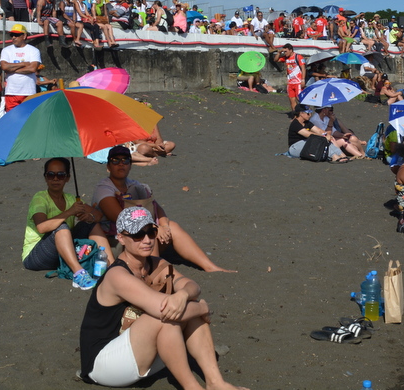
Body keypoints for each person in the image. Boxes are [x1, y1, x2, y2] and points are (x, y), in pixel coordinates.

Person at [78, 206, 250, 389]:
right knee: (165, 316)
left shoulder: (156, 264)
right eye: (137, 234)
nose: (147, 240)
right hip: (103, 364)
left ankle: (216, 383)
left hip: (139, 354)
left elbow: (192, 286)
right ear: (120, 237)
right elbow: (163, 310)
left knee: (180, 309)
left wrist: (183, 295)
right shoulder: (117, 275)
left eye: (151, 232)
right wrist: (202, 307)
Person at [91, 146, 235, 272]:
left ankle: (210, 267)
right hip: (118, 241)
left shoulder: (134, 184)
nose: (121, 164)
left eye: (125, 160)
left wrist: (164, 226)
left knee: (172, 226)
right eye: (115, 160)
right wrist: (154, 227)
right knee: (149, 232)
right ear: (108, 166)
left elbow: (156, 207)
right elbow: (121, 218)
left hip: (139, 238)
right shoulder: (104, 188)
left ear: (130, 164)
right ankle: (152, 272)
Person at [22, 158, 112, 291]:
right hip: (35, 257)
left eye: (61, 175)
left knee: (90, 224)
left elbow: (98, 215)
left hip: (62, 252)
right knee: (62, 227)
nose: (55, 179)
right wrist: (70, 212)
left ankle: (111, 266)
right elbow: (41, 227)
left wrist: (89, 216)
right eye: (51, 175)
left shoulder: (70, 198)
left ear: (68, 178)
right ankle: (79, 274)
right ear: (46, 178)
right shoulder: (40, 198)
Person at [0, 23, 41, 111]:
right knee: (12, 120)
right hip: (11, 92)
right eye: (12, 35)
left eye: (17, 35)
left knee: (28, 120)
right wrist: (23, 64)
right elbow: (4, 66)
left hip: (29, 92)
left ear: (24, 36)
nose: (13, 37)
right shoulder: (6, 50)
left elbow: (32, 68)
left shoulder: (33, 50)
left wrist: (11, 70)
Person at [277, 43, 306, 113]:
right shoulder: (285, 57)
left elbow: (303, 68)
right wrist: (279, 52)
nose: (285, 53)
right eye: (284, 52)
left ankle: (306, 112)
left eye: (286, 51)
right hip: (290, 82)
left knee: (300, 99)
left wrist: (303, 79)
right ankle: (295, 115)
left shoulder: (298, 57)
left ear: (291, 50)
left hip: (298, 82)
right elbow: (276, 60)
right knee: (291, 100)